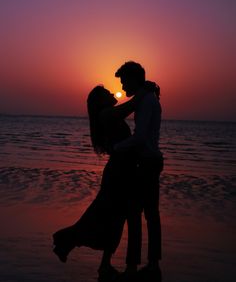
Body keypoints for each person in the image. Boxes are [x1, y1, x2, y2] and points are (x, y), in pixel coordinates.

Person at [52, 84, 155, 281]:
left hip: (122, 172)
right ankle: (67, 240)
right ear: (101, 100)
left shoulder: (108, 115)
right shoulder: (106, 114)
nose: (111, 93)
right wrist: (144, 90)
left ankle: (99, 261)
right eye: (107, 93)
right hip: (118, 174)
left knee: (111, 219)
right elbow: (132, 105)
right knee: (105, 216)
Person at [114, 61, 163, 281]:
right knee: (151, 214)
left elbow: (140, 137)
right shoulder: (148, 98)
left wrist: (116, 147)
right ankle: (152, 265)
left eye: (125, 82)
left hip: (147, 163)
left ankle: (134, 267)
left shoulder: (146, 102)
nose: (123, 88)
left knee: (134, 214)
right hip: (151, 161)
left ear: (135, 79)